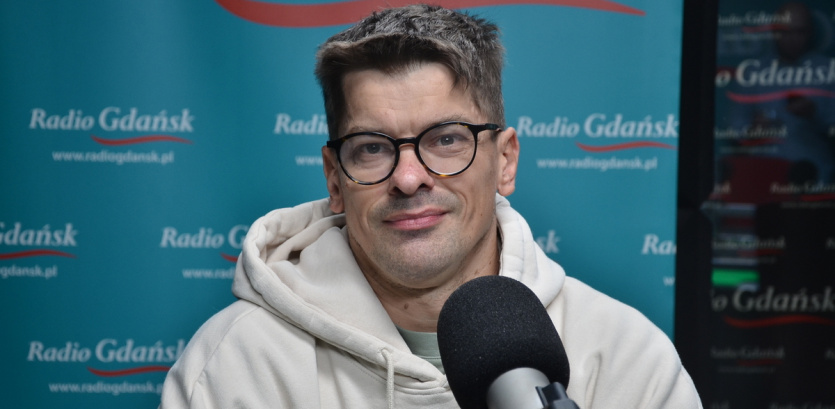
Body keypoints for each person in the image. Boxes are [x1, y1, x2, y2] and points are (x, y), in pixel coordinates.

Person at [159, 5, 702, 408]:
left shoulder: (625, 357)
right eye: (372, 148)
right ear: (334, 178)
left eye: (446, 139)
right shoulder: (235, 365)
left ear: (505, 161)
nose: (408, 178)